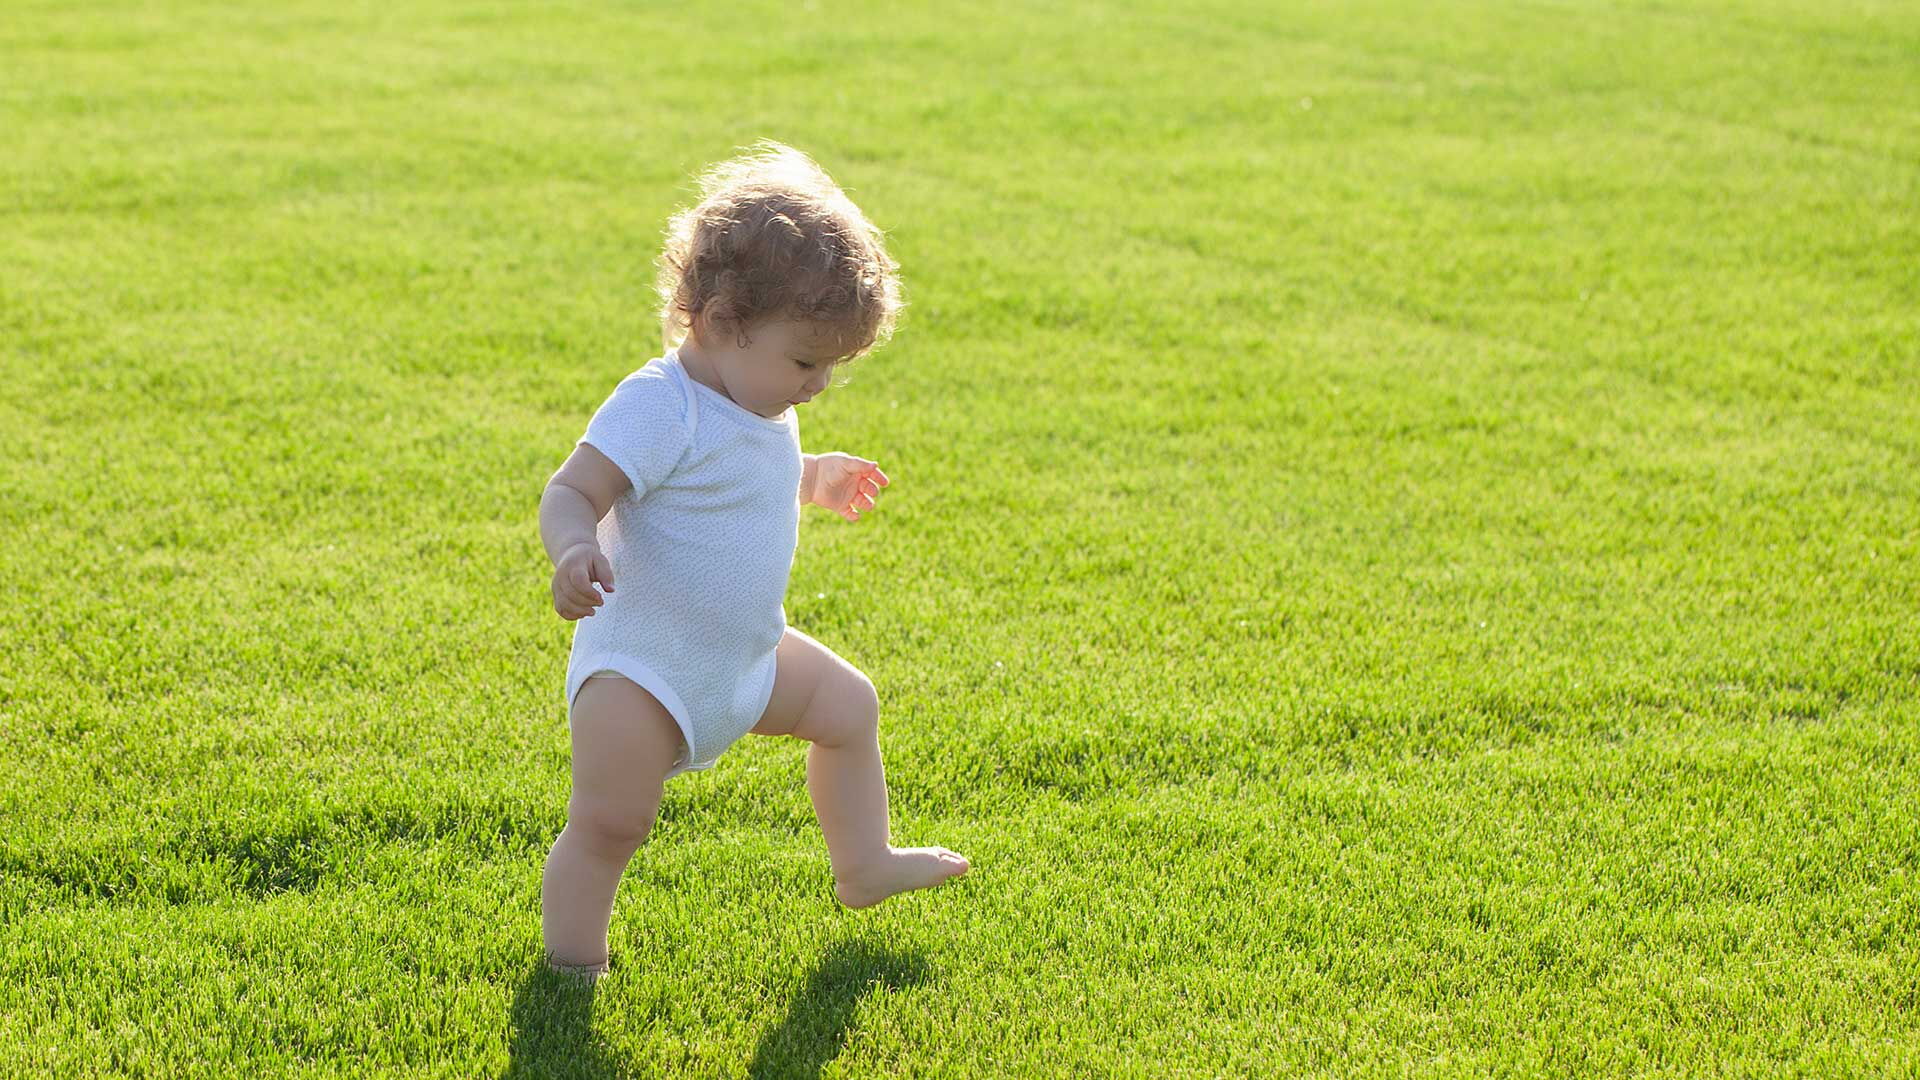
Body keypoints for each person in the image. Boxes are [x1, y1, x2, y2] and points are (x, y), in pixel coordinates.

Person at [534, 140, 969, 981]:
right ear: (719, 321)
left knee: (849, 707)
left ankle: (865, 864)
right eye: (806, 361)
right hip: (644, 672)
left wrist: (812, 476)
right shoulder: (660, 405)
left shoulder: (757, 397)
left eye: (831, 366)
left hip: (744, 660)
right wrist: (576, 545)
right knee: (612, 824)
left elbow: (739, 477)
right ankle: (573, 965)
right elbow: (572, 488)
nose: (817, 385)